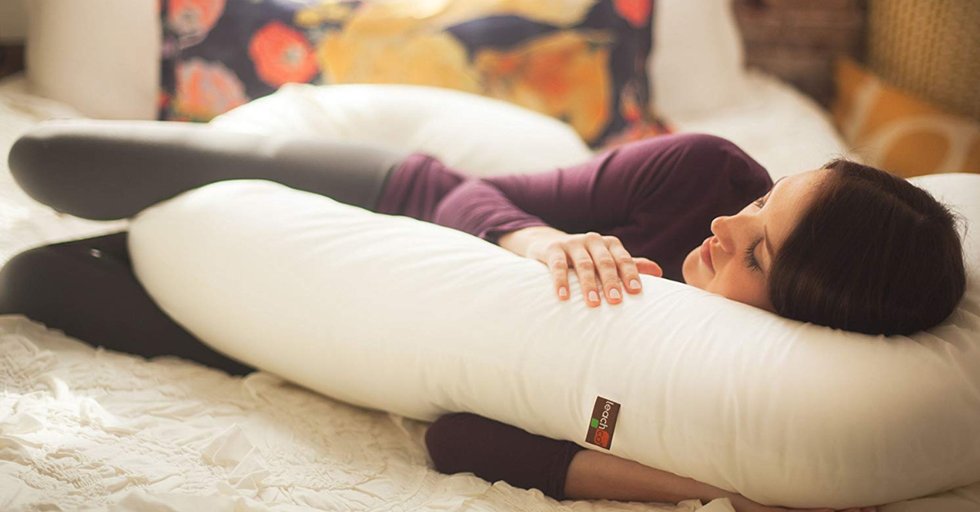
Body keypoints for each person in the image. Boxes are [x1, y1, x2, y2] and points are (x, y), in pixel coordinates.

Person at [0, 120, 965, 512]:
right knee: (47, 161)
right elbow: (467, 190)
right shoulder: (702, 173)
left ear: (803, 317)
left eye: (757, 252)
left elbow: (459, 435)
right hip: (394, 195)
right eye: (763, 202)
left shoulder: (716, 392)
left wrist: (704, 490)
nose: (726, 225)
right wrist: (538, 245)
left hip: (334, 322)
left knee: (38, 281)